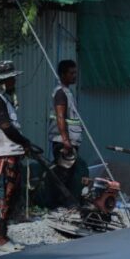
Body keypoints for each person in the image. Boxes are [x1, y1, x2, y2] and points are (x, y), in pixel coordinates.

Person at [0, 60, 32, 251]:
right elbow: (5, 126)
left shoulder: (3, 99)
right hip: (1, 155)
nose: (14, 82)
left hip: (9, 152)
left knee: (10, 196)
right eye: (11, 79)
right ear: (2, 81)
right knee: (1, 195)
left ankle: (3, 233)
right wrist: (24, 141)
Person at [47, 59, 83, 199]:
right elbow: (60, 117)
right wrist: (66, 140)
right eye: (71, 73)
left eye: (75, 73)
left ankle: (65, 202)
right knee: (63, 174)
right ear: (63, 74)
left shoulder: (68, 92)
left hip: (71, 141)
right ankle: (59, 203)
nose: (74, 76)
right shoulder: (60, 93)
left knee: (69, 174)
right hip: (63, 142)